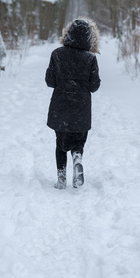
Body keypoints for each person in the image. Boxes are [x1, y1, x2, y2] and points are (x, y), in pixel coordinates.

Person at [45, 17, 101, 189]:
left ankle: (61, 178)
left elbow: (50, 81)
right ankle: (77, 157)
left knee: (60, 145)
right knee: (78, 141)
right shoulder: (90, 58)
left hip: (60, 108)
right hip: (81, 109)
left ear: (68, 35)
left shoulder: (57, 54)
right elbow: (94, 86)